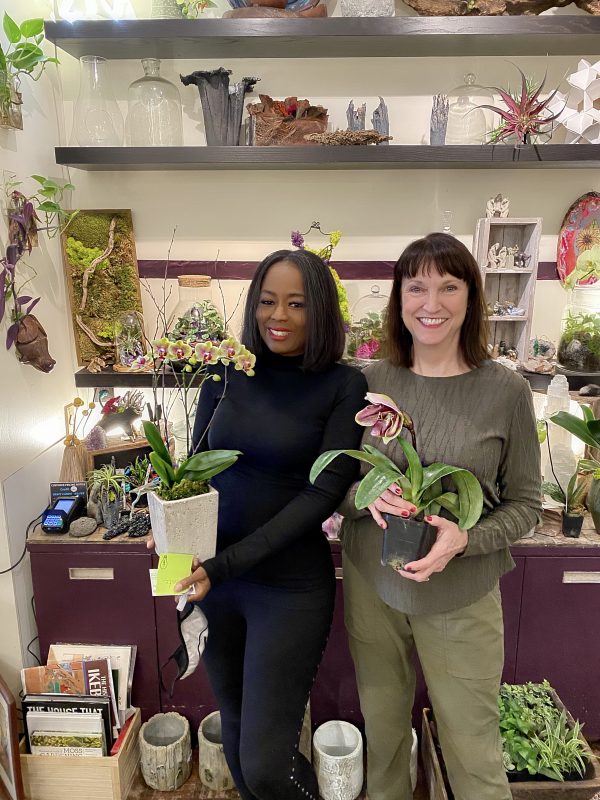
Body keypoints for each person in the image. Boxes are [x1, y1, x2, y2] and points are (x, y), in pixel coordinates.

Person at [339, 233, 542, 800]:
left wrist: (465, 539)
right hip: (373, 588)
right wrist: (364, 496)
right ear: (399, 298)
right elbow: (333, 485)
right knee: (383, 741)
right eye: (417, 287)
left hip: (461, 595)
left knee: (474, 753)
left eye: (449, 287)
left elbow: (526, 504)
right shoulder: (367, 382)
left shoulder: (505, 391)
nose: (431, 303)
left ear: (471, 296)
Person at [175, 249, 367, 800]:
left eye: (296, 304)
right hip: (213, 585)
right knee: (238, 745)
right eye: (266, 301)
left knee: (265, 765)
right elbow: (193, 472)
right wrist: (167, 529)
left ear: (320, 311)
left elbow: (323, 494)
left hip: (288, 590)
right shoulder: (222, 374)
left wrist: (223, 565)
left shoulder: (343, 386)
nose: (277, 315)